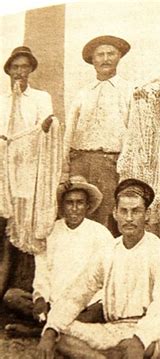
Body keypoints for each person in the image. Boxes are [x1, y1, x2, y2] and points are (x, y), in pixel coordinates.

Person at [37, 178, 160, 358]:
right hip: (110, 329)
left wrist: (140, 339)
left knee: (128, 347)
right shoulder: (107, 251)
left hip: (146, 331)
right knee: (59, 334)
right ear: (115, 213)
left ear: (147, 215)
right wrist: (51, 330)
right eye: (124, 211)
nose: (129, 218)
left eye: (136, 211)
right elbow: (77, 294)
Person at [3, 175, 113, 335]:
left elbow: (108, 276)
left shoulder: (100, 233)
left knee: (102, 309)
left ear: (87, 206)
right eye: (70, 203)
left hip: (85, 305)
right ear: (62, 206)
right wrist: (41, 299)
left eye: (80, 203)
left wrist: (93, 301)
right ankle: (57, 328)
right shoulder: (50, 231)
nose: (75, 208)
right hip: (54, 302)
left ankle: (38, 330)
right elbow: (42, 273)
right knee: (11, 297)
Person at [0, 46, 61, 301]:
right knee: (5, 228)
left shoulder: (40, 97)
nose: (20, 72)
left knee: (29, 226)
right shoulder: (2, 101)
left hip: (32, 170)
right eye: (15, 67)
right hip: (6, 171)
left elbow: (47, 127)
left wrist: (47, 126)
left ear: (31, 69)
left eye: (24, 67)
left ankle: (28, 291)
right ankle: (3, 288)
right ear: (9, 70)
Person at [61, 35, 134, 237]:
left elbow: (133, 132)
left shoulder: (129, 91)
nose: (105, 59)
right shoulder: (83, 93)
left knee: (105, 220)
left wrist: (123, 167)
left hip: (110, 163)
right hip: (80, 162)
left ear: (119, 57)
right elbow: (69, 132)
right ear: (92, 60)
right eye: (100, 55)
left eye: (111, 54)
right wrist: (65, 168)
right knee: (78, 218)